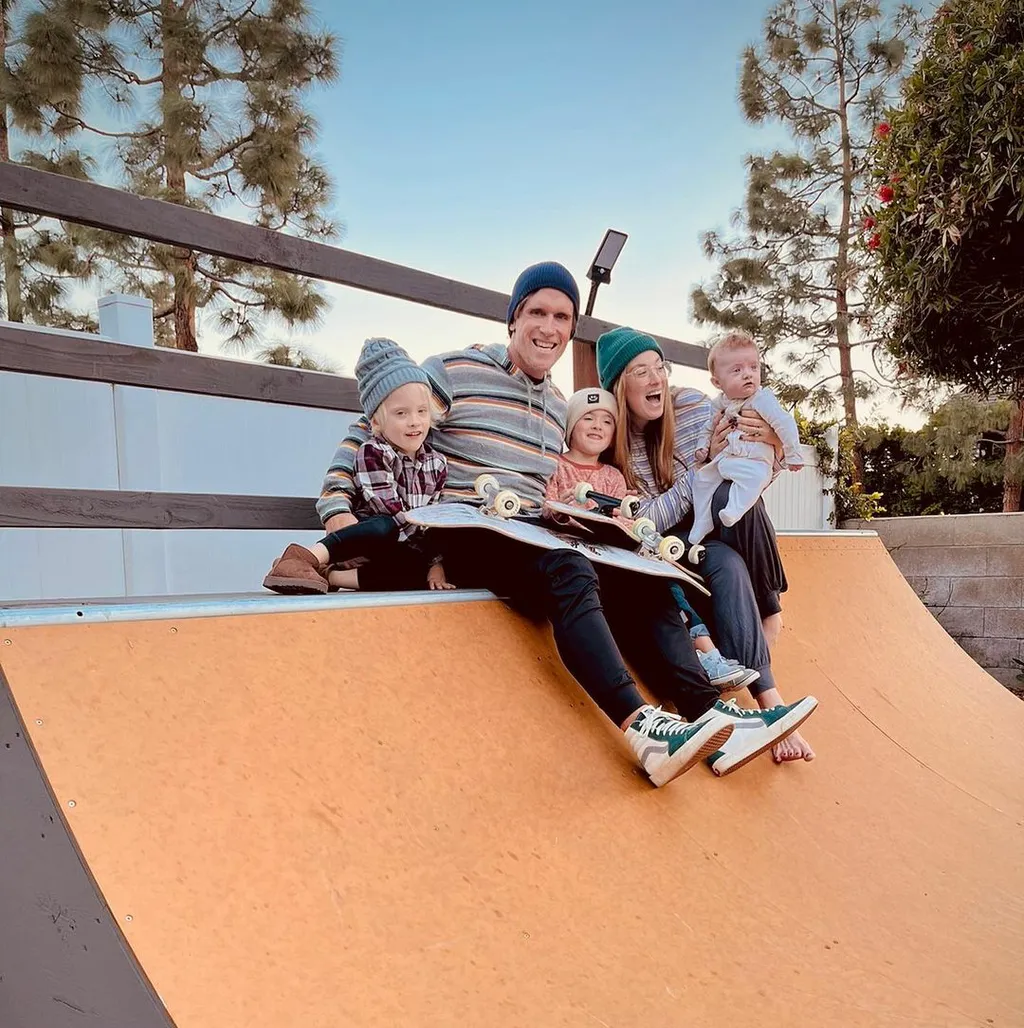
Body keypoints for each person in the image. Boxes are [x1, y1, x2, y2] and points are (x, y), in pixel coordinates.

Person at [317, 261, 816, 787]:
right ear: (513, 319)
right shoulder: (456, 370)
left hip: (530, 535)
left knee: (643, 576)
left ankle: (711, 720)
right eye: (537, 312)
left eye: (562, 317)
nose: (549, 327)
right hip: (465, 530)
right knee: (570, 568)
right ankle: (643, 729)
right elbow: (377, 417)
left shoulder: (559, 407)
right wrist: (337, 510)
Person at [595, 326, 815, 768]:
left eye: (660, 367)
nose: (656, 379)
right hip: (671, 543)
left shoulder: (694, 405)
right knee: (724, 546)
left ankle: (769, 655)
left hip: (713, 524)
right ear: (621, 385)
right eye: (641, 372)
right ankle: (766, 688)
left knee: (730, 514)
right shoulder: (616, 445)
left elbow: (752, 475)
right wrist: (697, 475)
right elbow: (646, 521)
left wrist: (771, 446)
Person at [545, 387, 760, 693]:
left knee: (667, 581)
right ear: (570, 427)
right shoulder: (557, 466)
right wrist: (562, 509)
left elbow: (625, 520)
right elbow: (546, 508)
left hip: (614, 552)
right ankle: (696, 661)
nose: (597, 426)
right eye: (587, 418)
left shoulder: (613, 476)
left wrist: (625, 516)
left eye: (606, 421)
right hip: (579, 558)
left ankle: (709, 654)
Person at [263, 338, 453, 595]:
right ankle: (306, 557)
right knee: (383, 526)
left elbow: (435, 516)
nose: (415, 422)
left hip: (404, 544)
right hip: (367, 540)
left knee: (414, 570)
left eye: (422, 412)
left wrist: (434, 561)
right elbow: (386, 506)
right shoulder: (373, 451)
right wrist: (426, 550)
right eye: (401, 413)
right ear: (375, 421)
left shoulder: (436, 463)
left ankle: (333, 577)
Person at [689, 331, 803, 548]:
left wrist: (792, 454)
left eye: (753, 367)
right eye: (737, 370)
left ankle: (734, 510)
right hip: (725, 460)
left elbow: (785, 423)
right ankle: (702, 520)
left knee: (755, 479)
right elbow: (708, 427)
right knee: (702, 480)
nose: (748, 375)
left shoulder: (762, 399)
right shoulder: (719, 403)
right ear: (717, 381)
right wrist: (702, 448)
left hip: (754, 461)